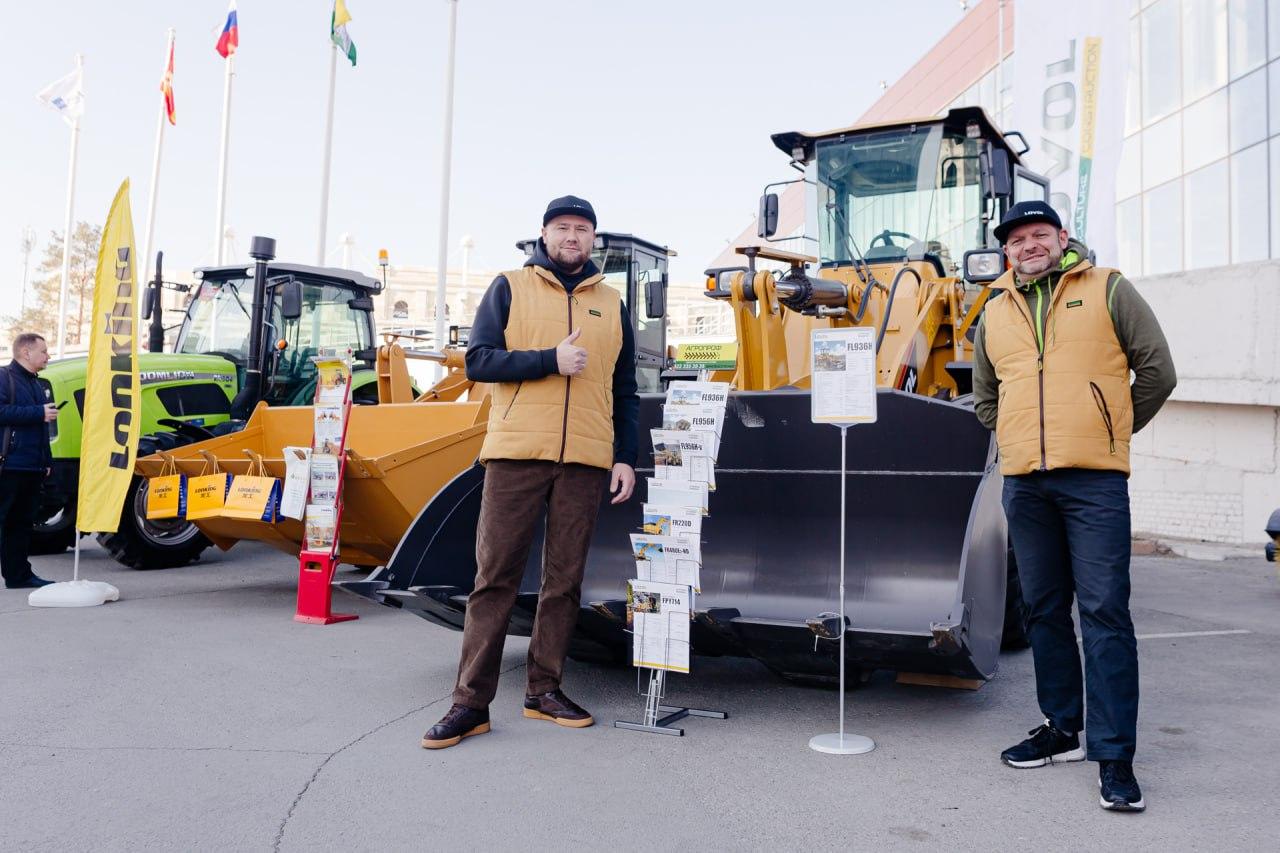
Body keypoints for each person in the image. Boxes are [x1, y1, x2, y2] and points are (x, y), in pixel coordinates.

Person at [973, 201, 1176, 812]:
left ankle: (1114, 755)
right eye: (1017, 239)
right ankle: (1061, 728)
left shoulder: (1109, 289)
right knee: (1042, 610)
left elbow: (1158, 372)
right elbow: (987, 397)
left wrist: (1107, 431)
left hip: (1094, 483)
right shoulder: (994, 309)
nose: (1028, 245)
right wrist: (1015, 442)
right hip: (1026, 485)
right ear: (1007, 251)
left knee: (1104, 612)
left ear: (1062, 238)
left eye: (1040, 234)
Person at [422, 195, 639, 749]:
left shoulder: (612, 304)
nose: (573, 237)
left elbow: (624, 389)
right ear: (545, 234)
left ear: (595, 239)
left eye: (583, 229)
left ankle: (544, 690)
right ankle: (469, 704)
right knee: (494, 577)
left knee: (563, 582)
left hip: (586, 460)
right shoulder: (509, 287)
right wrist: (549, 360)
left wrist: (625, 456)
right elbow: (479, 361)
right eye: (563, 227)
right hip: (517, 453)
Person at [1, 333, 58, 590]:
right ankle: (18, 574)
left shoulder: (36, 384)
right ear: (26, 352)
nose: (48, 356)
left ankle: (18, 575)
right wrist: (38, 412)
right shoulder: (4, 377)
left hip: (32, 466)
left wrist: (46, 460)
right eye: (44, 351)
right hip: (9, 464)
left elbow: (41, 428)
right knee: (5, 522)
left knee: (21, 525)